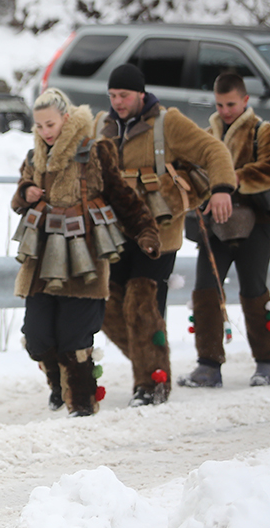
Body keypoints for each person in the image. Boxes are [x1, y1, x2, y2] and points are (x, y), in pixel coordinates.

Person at [12, 89, 160, 416]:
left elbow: (123, 197)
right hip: (41, 258)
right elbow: (18, 199)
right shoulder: (35, 157)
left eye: (50, 124)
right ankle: (59, 386)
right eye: (38, 126)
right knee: (37, 337)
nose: (45, 132)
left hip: (85, 259)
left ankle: (81, 404)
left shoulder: (94, 152)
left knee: (75, 339)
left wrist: (146, 230)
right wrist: (26, 191)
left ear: (66, 118)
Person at [96, 63, 237, 406]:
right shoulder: (103, 125)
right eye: (113, 95)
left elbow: (213, 150)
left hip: (158, 235)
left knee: (142, 307)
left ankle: (153, 386)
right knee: (108, 308)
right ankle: (153, 364)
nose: (118, 102)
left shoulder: (167, 123)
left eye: (124, 95)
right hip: (115, 234)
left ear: (140, 94)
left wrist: (221, 188)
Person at [181, 72, 270, 388]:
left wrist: (229, 180)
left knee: (253, 290)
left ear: (244, 101)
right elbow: (193, 172)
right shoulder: (207, 132)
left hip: (258, 222)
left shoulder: (264, 132)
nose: (225, 111)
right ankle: (208, 363)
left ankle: (267, 361)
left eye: (230, 104)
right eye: (220, 104)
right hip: (216, 222)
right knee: (204, 290)